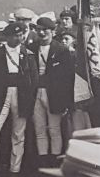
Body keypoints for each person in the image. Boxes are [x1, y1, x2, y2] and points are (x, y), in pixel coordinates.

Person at [0, 24, 40, 176]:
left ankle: (15, 169)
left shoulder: (28, 54)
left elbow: (34, 80)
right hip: (0, 94)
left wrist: (29, 99)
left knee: (18, 134)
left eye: (20, 35)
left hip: (21, 95)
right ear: (7, 37)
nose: (18, 38)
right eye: (14, 36)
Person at [30, 16, 70, 165]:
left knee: (54, 129)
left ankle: (55, 162)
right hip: (36, 93)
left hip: (54, 94)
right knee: (39, 128)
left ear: (52, 31)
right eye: (38, 30)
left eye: (45, 30)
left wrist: (65, 100)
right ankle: (43, 161)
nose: (41, 33)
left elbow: (67, 78)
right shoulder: (31, 48)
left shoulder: (62, 50)